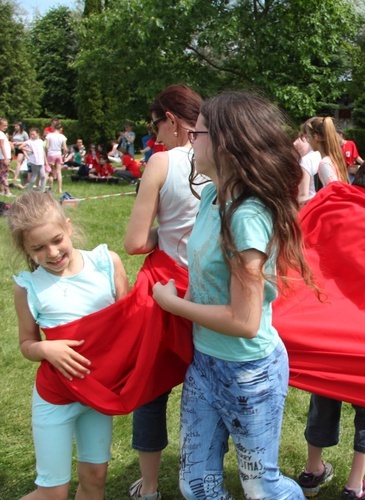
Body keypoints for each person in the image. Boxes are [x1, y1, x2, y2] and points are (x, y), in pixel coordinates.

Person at [151, 91, 317, 499]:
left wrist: (173, 304)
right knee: (195, 485)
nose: (191, 138)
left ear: (224, 143)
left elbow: (245, 322)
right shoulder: (211, 196)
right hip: (205, 363)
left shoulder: (246, 217)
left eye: (199, 131)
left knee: (261, 488)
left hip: (250, 374)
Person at [9, 190, 129, 500]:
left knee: (95, 479)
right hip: (56, 398)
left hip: (98, 394)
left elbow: (131, 321)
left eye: (57, 240)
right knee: (53, 493)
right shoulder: (29, 287)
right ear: (24, 248)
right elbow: (26, 343)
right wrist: (46, 349)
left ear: (69, 226)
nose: (51, 252)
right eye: (38, 248)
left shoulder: (105, 263)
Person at [296, 156, 365, 500]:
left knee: (323, 398)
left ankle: (312, 471)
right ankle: (355, 486)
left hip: (327, 329)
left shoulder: (330, 212)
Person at [123, 83, 206, 500]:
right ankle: (201, 476)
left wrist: (162, 232)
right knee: (207, 390)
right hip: (211, 290)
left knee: (151, 390)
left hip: (165, 287)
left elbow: (136, 242)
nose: (155, 136)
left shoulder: (161, 161)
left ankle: (151, 487)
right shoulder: (227, 156)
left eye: (156, 125)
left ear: (172, 119)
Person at [307, 117, 349, 186]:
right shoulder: (334, 159)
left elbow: (334, 190)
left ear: (316, 137)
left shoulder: (325, 163)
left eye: (309, 136)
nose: (308, 141)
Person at [295, 119, 322, 207]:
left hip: (313, 211)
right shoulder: (335, 157)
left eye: (304, 136)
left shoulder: (307, 160)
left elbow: (303, 196)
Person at [45, 122, 68, 194]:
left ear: (53, 128)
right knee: (58, 172)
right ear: (60, 129)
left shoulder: (49, 135)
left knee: (47, 171)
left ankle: (42, 186)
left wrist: (45, 154)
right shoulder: (62, 136)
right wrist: (64, 156)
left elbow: (47, 146)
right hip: (58, 154)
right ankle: (59, 189)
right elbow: (65, 148)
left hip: (51, 154)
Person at [0, 118, 12, 196]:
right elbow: (2, 146)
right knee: (4, 175)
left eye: (6, 125)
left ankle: (1, 191)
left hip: (2, 157)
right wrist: (6, 158)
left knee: (1, 175)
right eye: (4, 125)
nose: (6, 127)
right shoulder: (0, 134)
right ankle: (7, 192)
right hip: (3, 157)